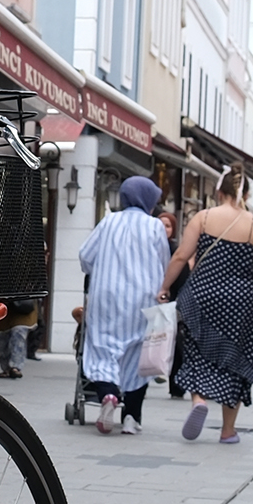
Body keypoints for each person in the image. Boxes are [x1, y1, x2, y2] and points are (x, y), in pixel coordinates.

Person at [159, 166, 253, 445]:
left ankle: (198, 400)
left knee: (197, 351)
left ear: (219, 190)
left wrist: (165, 287)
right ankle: (228, 430)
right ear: (246, 193)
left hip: (202, 295)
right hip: (240, 302)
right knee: (237, 359)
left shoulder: (203, 218)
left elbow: (182, 255)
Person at [78, 175, 171, 434]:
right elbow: (164, 263)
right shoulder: (154, 227)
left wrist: (96, 268)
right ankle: (131, 418)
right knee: (139, 355)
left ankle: (108, 395)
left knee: (103, 348)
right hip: (143, 298)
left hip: (106, 297)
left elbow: (85, 255)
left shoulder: (108, 222)